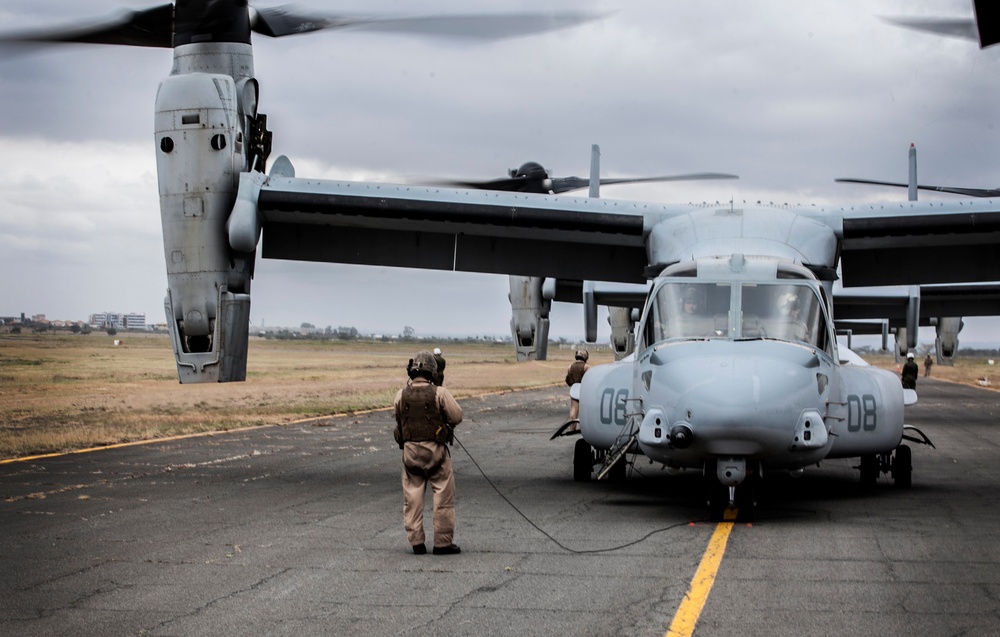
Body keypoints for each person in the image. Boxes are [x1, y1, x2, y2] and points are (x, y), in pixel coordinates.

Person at [393, 350, 463, 556]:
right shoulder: (440, 393)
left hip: (410, 454)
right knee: (443, 496)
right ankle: (442, 543)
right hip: (436, 453)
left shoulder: (400, 394)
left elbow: (397, 417)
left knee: (412, 498)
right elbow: (457, 416)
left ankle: (416, 542)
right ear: (432, 372)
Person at [565, 349, 590, 427]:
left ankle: (572, 427)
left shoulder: (570, 367)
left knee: (573, 410)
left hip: (574, 390)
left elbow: (568, 380)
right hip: (584, 390)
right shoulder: (587, 367)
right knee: (585, 410)